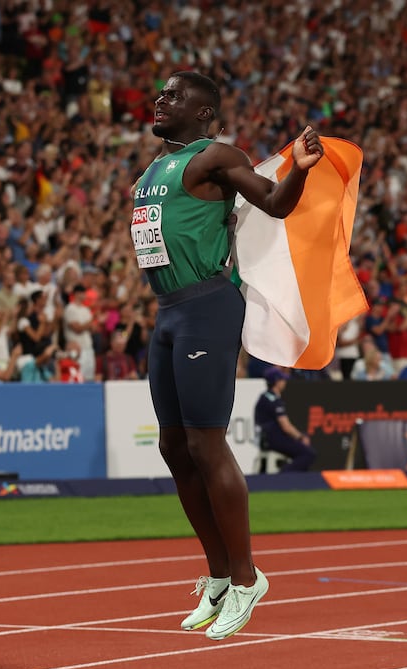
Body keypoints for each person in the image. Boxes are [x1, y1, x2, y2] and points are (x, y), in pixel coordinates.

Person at [133, 71, 322, 640]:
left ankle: (246, 577)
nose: (161, 100)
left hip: (207, 307)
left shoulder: (216, 155)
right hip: (168, 311)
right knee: (173, 446)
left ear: (207, 114)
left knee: (205, 444)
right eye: (161, 93)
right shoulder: (153, 168)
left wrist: (297, 170)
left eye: (175, 96)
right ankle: (217, 577)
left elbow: (273, 203)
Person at [253, 367, 316, 472]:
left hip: (266, 439)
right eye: (282, 379)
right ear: (277, 381)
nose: (285, 382)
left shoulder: (263, 397)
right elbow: (286, 426)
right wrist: (300, 437)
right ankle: (283, 476)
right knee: (308, 453)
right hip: (274, 439)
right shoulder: (274, 400)